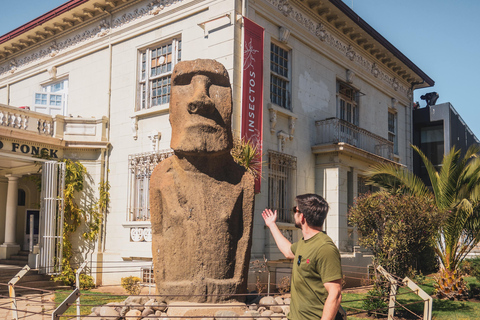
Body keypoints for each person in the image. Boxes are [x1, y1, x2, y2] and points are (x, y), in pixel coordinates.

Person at [262, 193, 342, 320]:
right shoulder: (304, 243)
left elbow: (335, 294)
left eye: (295, 210)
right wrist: (272, 225)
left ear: (302, 216)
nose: (294, 213)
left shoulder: (325, 248)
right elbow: (288, 251)